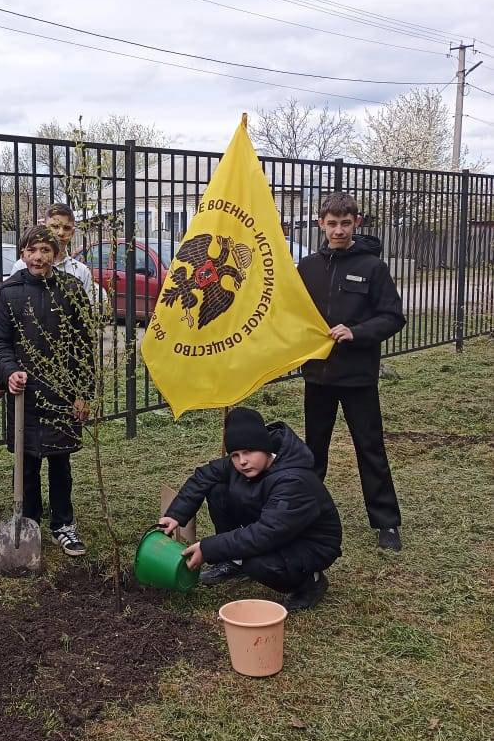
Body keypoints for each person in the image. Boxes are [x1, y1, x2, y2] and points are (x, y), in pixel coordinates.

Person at [297, 191, 406, 551]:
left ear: (356, 222)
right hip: (318, 375)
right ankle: (307, 516)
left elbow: (393, 317)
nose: (339, 230)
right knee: (314, 451)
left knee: (369, 447)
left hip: (358, 376)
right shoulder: (308, 268)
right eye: (332, 223)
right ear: (321, 224)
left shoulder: (373, 268)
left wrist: (356, 332)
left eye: (346, 223)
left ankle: (386, 522)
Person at [159, 407, 342, 611]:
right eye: (235, 455)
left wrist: (208, 548)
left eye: (248, 452)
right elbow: (204, 475)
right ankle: (234, 561)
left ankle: (311, 583)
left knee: (257, 563)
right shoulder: (245, 464)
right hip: (274, 526)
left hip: (310, 543)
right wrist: (176, 515)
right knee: (218, 490)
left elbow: (265, 534)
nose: (242, 461)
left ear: (265, 447)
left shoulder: (293, 480)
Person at [0, 224, 94, 557]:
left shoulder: (71, 289)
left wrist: (82, 392)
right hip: (26, 395)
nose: (38, 257)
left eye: (45, 250)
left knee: (60, 462)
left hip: (62, 393)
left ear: (56, 254)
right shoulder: (10, 292)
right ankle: (29, 522)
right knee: (27, 461)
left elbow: (83, 344)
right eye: (32, 250)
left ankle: (63, 523)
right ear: (22, 253)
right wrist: (9, 372)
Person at [9, 202, 99, 303]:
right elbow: (12, 303)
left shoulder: (81, 272)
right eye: (55, 226)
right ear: (44, 227)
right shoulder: (22, 266)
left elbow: (88, 308)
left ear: (73, 232)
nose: (61, 233)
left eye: (66, 228)